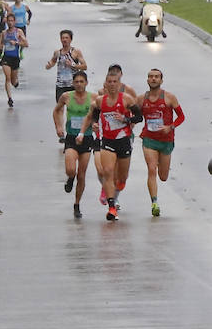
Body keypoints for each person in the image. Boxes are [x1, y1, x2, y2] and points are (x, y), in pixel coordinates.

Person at [77, 63, 137, 221]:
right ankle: (111, 207)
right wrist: (95, 124)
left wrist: (125, 119)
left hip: (123, 140)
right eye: (109, 82)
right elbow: (95, 115)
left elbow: (139, 117)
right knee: (107, 172)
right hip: (107, 141)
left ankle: (117, 191)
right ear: (105, 84)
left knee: (122, 178)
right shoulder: (99, 101)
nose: (112, 85)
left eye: (114, 82)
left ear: (119, 83)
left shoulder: (127, 99)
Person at [137, 68, 184, 217]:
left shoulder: (170, 98)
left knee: (163, 176)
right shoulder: (141, 99)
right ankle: (154, 203)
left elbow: (181, 117)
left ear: (161, 80)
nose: (153, 79)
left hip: (166, 141)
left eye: (156, 77)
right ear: (147, 80)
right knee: (152, 169)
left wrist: (170, 127)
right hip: (149, 139)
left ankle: (159, 161)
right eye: (150, 76)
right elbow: (135, 116)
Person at [53, 70, 99, 218]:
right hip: (72, 138)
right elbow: (57, 110)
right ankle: (70, 178)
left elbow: (100, 114)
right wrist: (59, 127)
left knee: (82, 174)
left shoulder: (93, 98)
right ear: (73, 83)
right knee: (71, 169)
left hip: (86, 138)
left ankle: (77, 204)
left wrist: (96, 124)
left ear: (86, 83)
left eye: (82, 82)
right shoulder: (66, 96)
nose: (79, 84)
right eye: (76, 82)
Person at [44, 29, 88, 101]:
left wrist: (72, 65)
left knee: (73, 107)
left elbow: (84, 66)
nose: (64, 40)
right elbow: (52, 62)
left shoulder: (75, 52)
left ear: (71, 39)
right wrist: (49, 65)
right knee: (59, 107)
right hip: (60, 84)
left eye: (66, 38)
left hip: (73, 84)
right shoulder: (57, 52)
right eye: (62, 38)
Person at [0, 21, 26, 108]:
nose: (10, 23)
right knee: (7, 78)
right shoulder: (4, 33)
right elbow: (1, 44)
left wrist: (17, 43)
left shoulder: (18, 32)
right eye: (8, 21)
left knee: (13, 81)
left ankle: (15, 82)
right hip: (6, 58)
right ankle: (10, 98)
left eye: (11, 21)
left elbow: (26, 44)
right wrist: (0, 48)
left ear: (14, 22)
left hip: (15, 58)